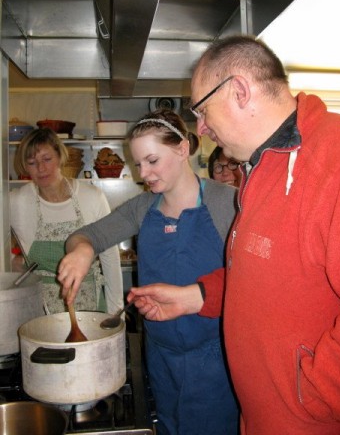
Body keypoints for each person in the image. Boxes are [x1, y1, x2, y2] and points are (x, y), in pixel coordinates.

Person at [127, 35, 340, 435]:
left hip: (309, 422)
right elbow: (263, 277)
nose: (202, 127)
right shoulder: (260, 171)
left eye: (202, 110)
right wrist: (196, 297)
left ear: (238, 90)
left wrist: (314, 395)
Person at [58, 109, 239, 435]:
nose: (144, 173)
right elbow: (87, 235)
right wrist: (83, 250)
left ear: (182, 149)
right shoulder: (142, 208)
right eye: (138, 163)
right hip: (160, 355)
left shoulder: (228, 203)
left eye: (152, 161)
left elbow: (252, 280)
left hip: (216, 359)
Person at [10, 127, 123, 314]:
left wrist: (116, 313)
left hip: (90, 307)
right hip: (40, 310)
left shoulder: (92, 197)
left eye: (47, 159)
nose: (41, 168)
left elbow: (110, 257)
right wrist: (11, 261)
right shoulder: (17, 201)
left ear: (60, 156)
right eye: (32, 162)